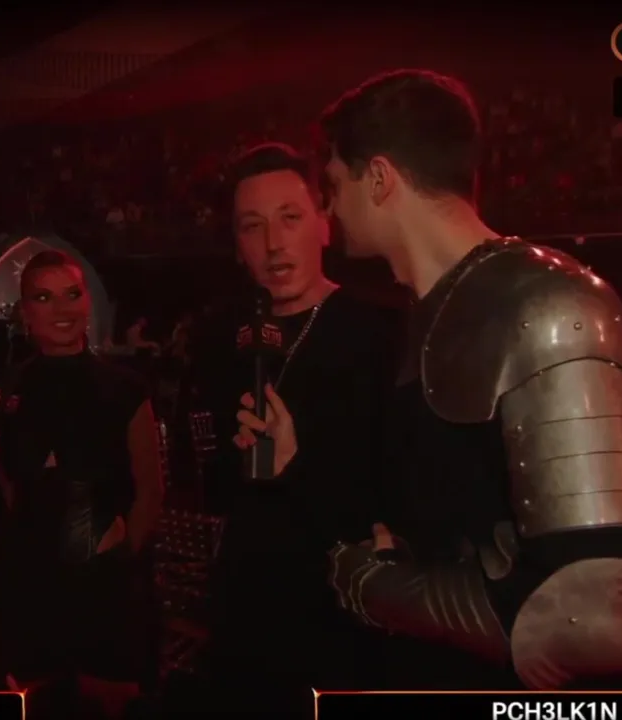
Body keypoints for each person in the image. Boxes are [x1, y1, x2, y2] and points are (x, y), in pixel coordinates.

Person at [237, 69, 622, 690]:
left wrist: (378, 588)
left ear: (379, 179)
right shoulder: (432, 313)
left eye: (335, 184)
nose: (330, 208)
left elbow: (596, 621)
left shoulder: (549, 308)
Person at [205, 143, 397, 713]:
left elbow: (397, 499)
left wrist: (296, 464)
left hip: (340, 623)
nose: (273, 242)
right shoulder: (223, 339)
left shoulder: (382, 335)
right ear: (237, 245)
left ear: (324, 223)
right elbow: (215, 487)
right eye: (252, 226)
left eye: (289, 217)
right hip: (244, 621)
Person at [0, 250, 164, 718]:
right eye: (44, 297)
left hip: (106, 587)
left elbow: (150, 489)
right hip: (31, 586)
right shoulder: (7, 389)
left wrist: (121, 562)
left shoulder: (125, 387)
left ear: (87, 302)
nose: (61, 309)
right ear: (25, 311)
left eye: (71, 294)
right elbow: (6, 482)